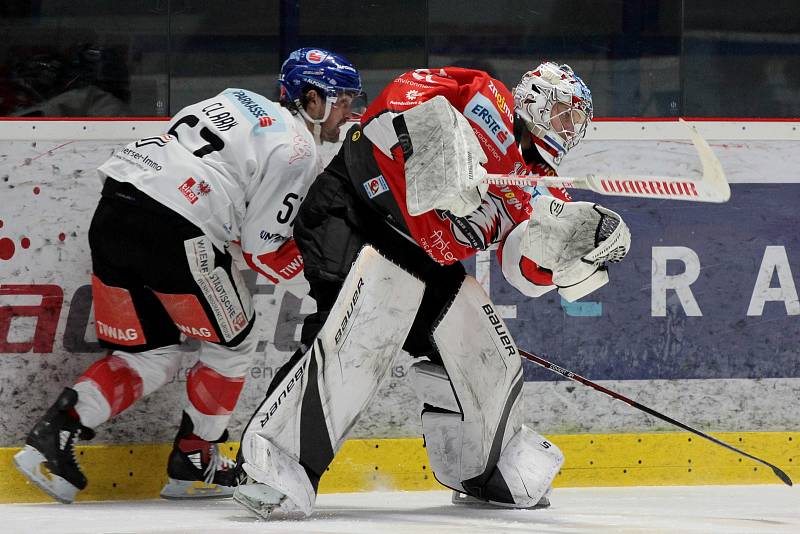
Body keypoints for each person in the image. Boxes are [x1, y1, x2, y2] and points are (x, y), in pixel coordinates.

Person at [234, 62, 631, 519]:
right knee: (358, 328)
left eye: (575, 121)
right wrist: (436, 138)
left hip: (420, 256)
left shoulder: (542, 193)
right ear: (536, 100)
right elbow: (395, 103)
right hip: (354, 211)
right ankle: (271, 463)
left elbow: (521, 270)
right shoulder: (485, 98)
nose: (569, 127)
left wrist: (569, 251)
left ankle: (483, 469)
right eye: (564, 113)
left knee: (481, 342)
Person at [12, 47, 362, 504]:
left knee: (149, 354)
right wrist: (329, 288)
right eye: (341, 100)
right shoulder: (297, 150)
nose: (348, 111)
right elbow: (263, 249)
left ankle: (52, 438)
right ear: (312, 99)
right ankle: (194, 461)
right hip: (175, 227)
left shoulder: (236, 99)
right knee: (234, 344)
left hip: (116, 211)